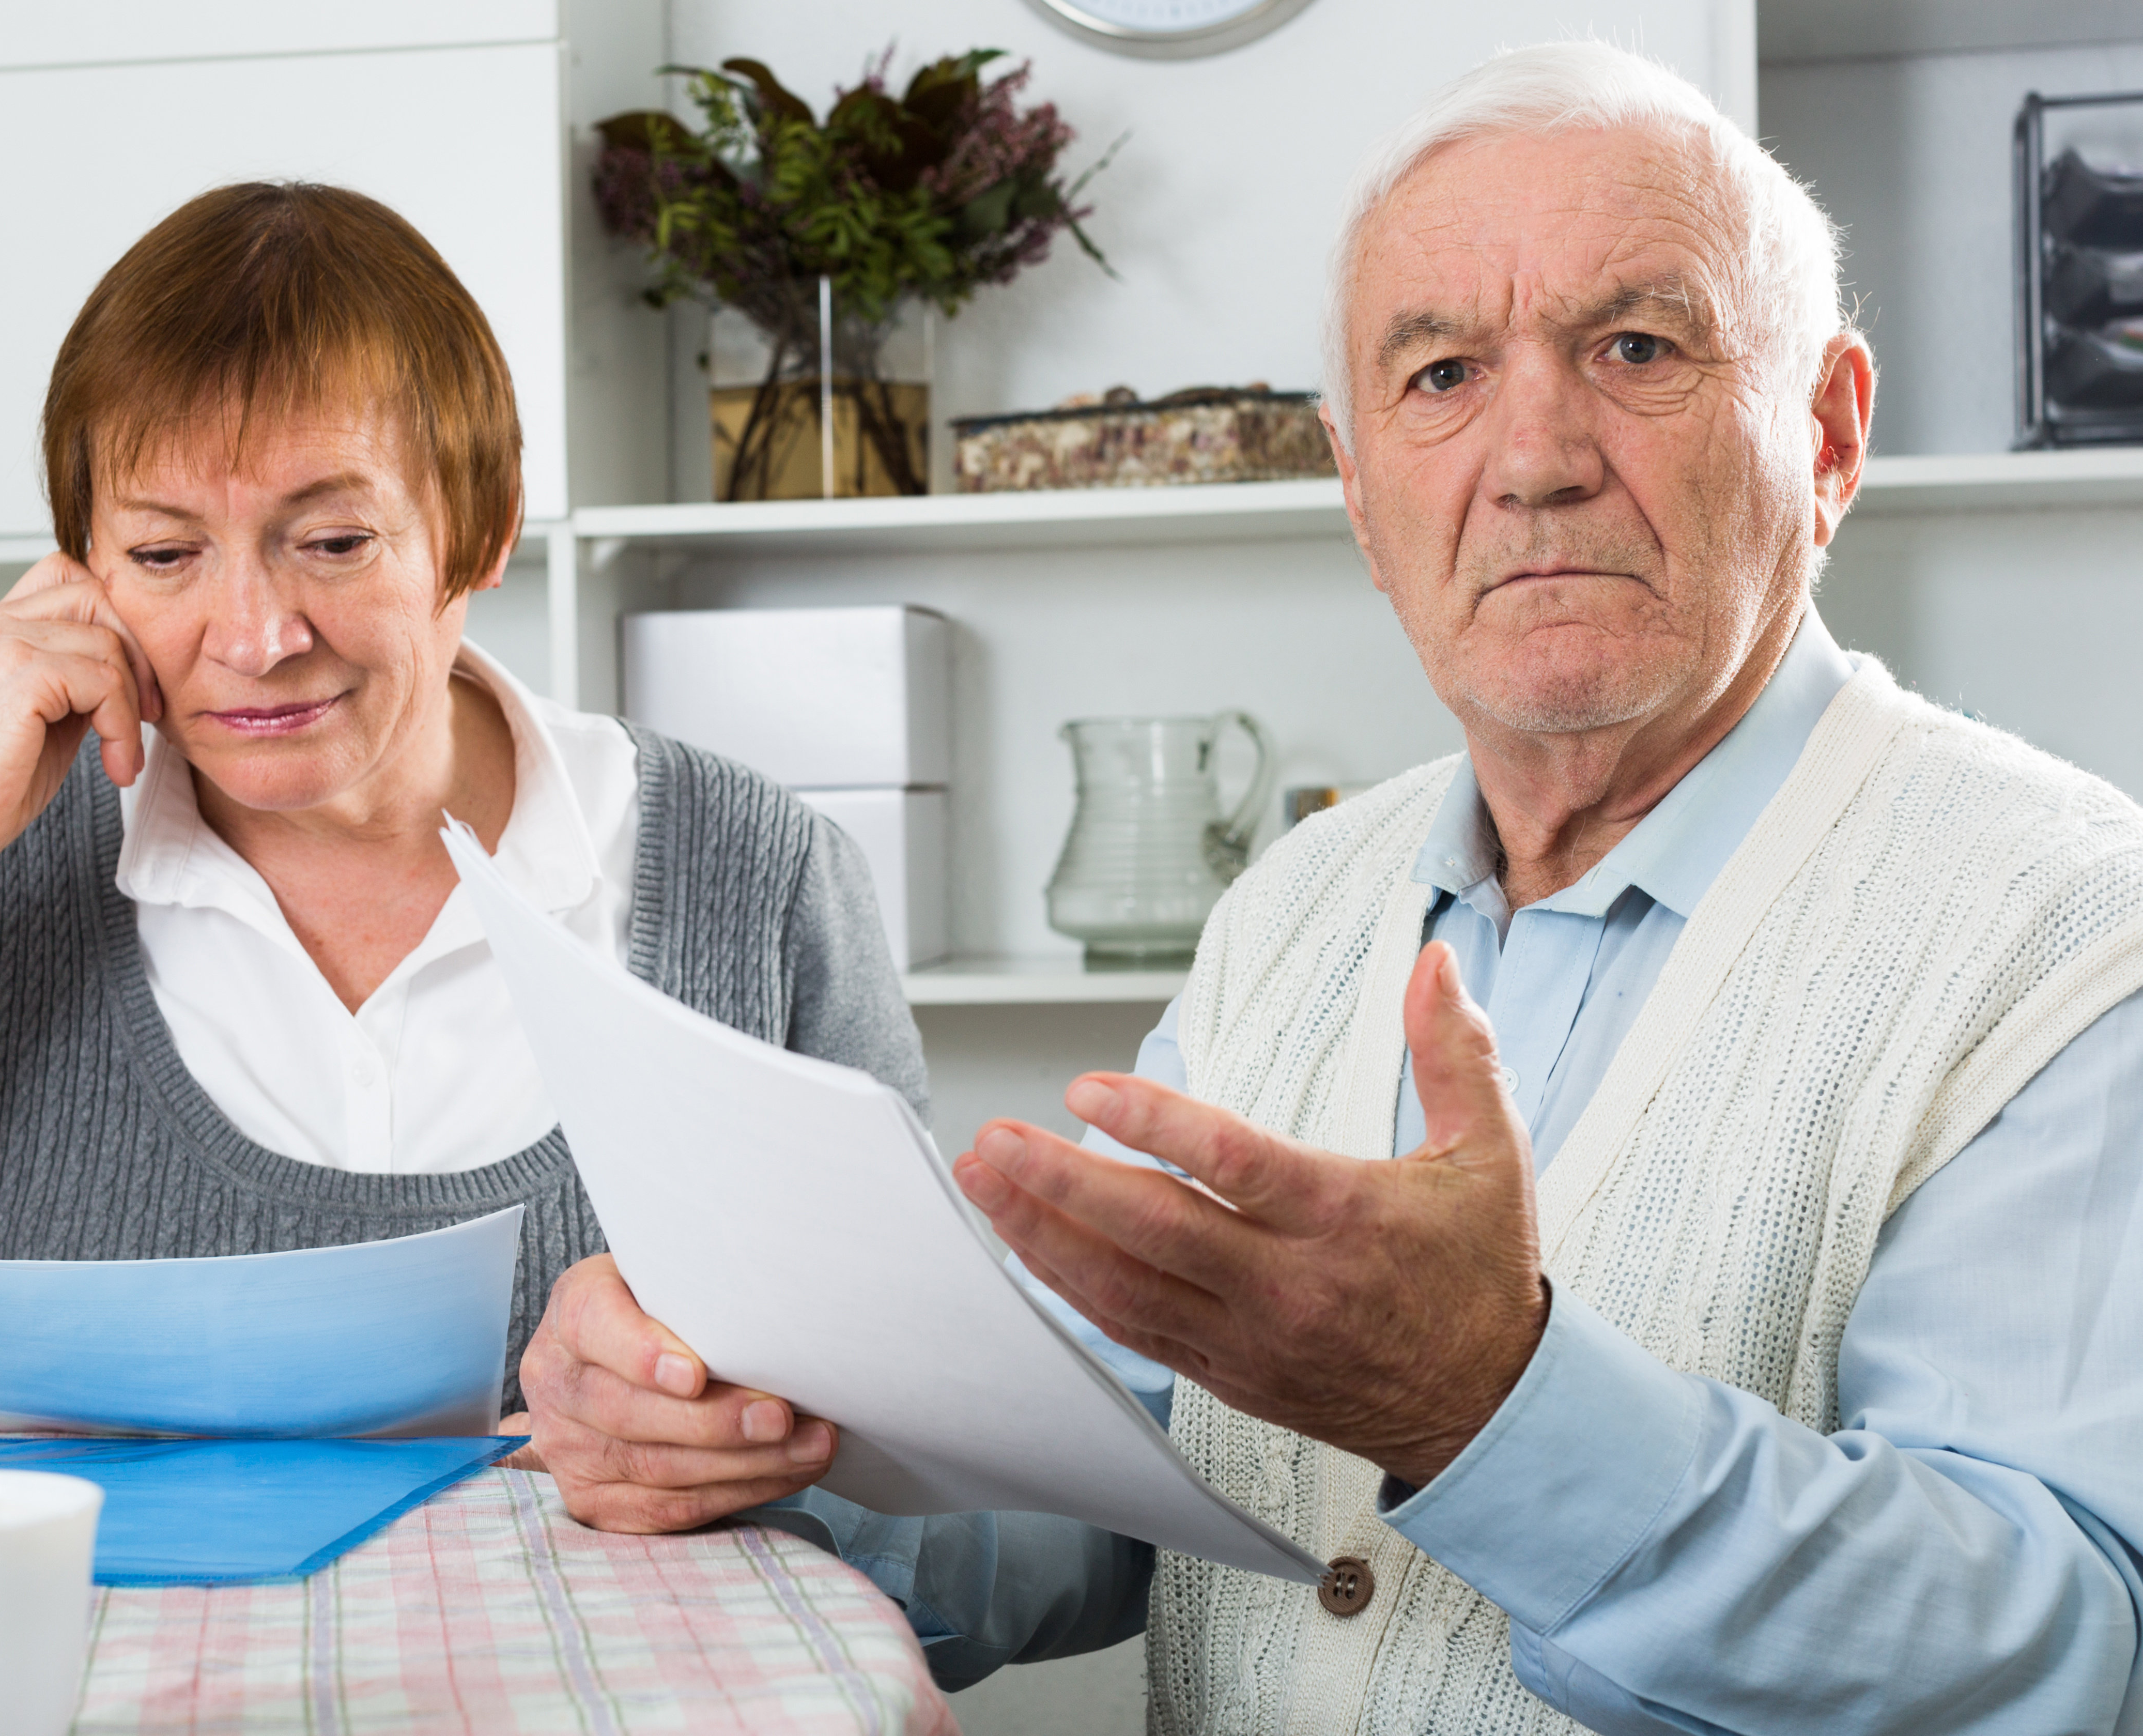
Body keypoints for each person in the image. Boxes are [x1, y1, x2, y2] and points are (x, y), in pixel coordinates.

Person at [518, 42, 2143, 1731]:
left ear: (1826, 434)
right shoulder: (1295, 907)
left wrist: (1487, 1410)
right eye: (1441, 374)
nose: (1535, 458)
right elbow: (1096, 1467)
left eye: (1638, 347)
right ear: (1362, 496)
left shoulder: (2064, 935)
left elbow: (2060, 1647)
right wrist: (753, 1434)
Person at [0, 181, 920, 1440]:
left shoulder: (761, 879)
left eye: (334, 542)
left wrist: (765, 1464)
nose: (255, 633)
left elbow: (960, 1500)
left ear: (476, 533)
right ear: (80, 570)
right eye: (165, 554)